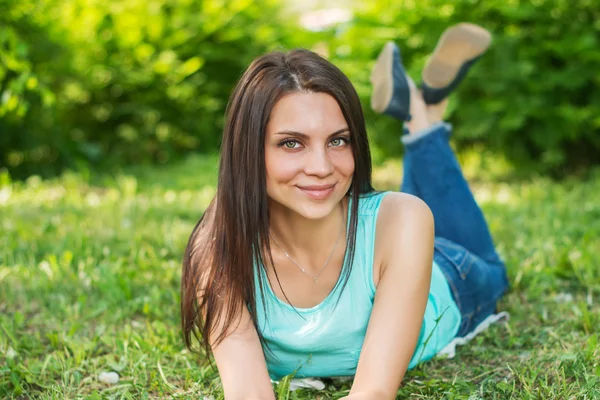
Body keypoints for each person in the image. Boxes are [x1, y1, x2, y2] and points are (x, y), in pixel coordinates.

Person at [181, 23, 510, 400]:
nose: (322, 166)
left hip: (451, 278)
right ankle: (425, 109)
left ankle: (420, 115)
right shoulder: (218, 249)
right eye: (292, 143)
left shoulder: (403, 219)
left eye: (338, 140)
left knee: (494, 270)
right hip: (391, 250)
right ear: (248, 150)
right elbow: (247, 393)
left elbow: (372, 391)